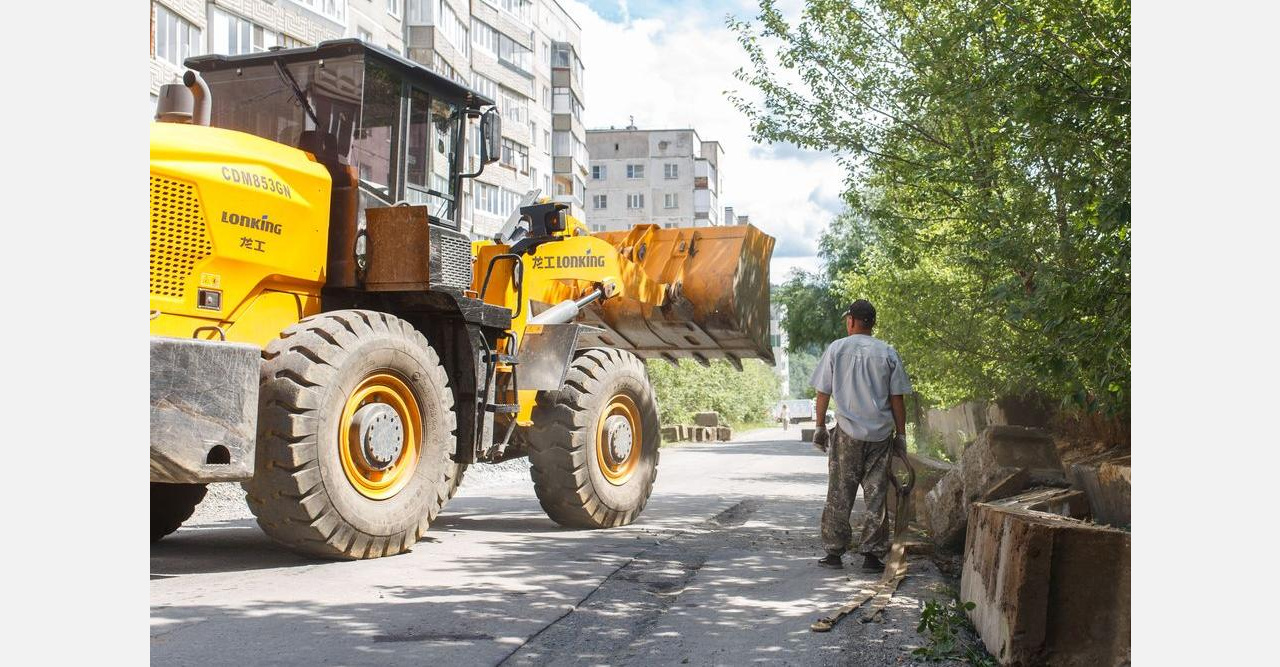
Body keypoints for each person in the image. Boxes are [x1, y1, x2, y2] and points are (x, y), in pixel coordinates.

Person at [809, 299, 913, 572]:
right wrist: (901, 435)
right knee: (876, 495)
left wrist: (819, 427)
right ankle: (872, 556)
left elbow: (823, 392)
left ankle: (834, 553)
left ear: (852, 321)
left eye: (848, 319)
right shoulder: (888, 352)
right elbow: (897, 399)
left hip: (847, 434)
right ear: (873, 324)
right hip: (880, 436)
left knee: (840, 492)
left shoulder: (837, 349)